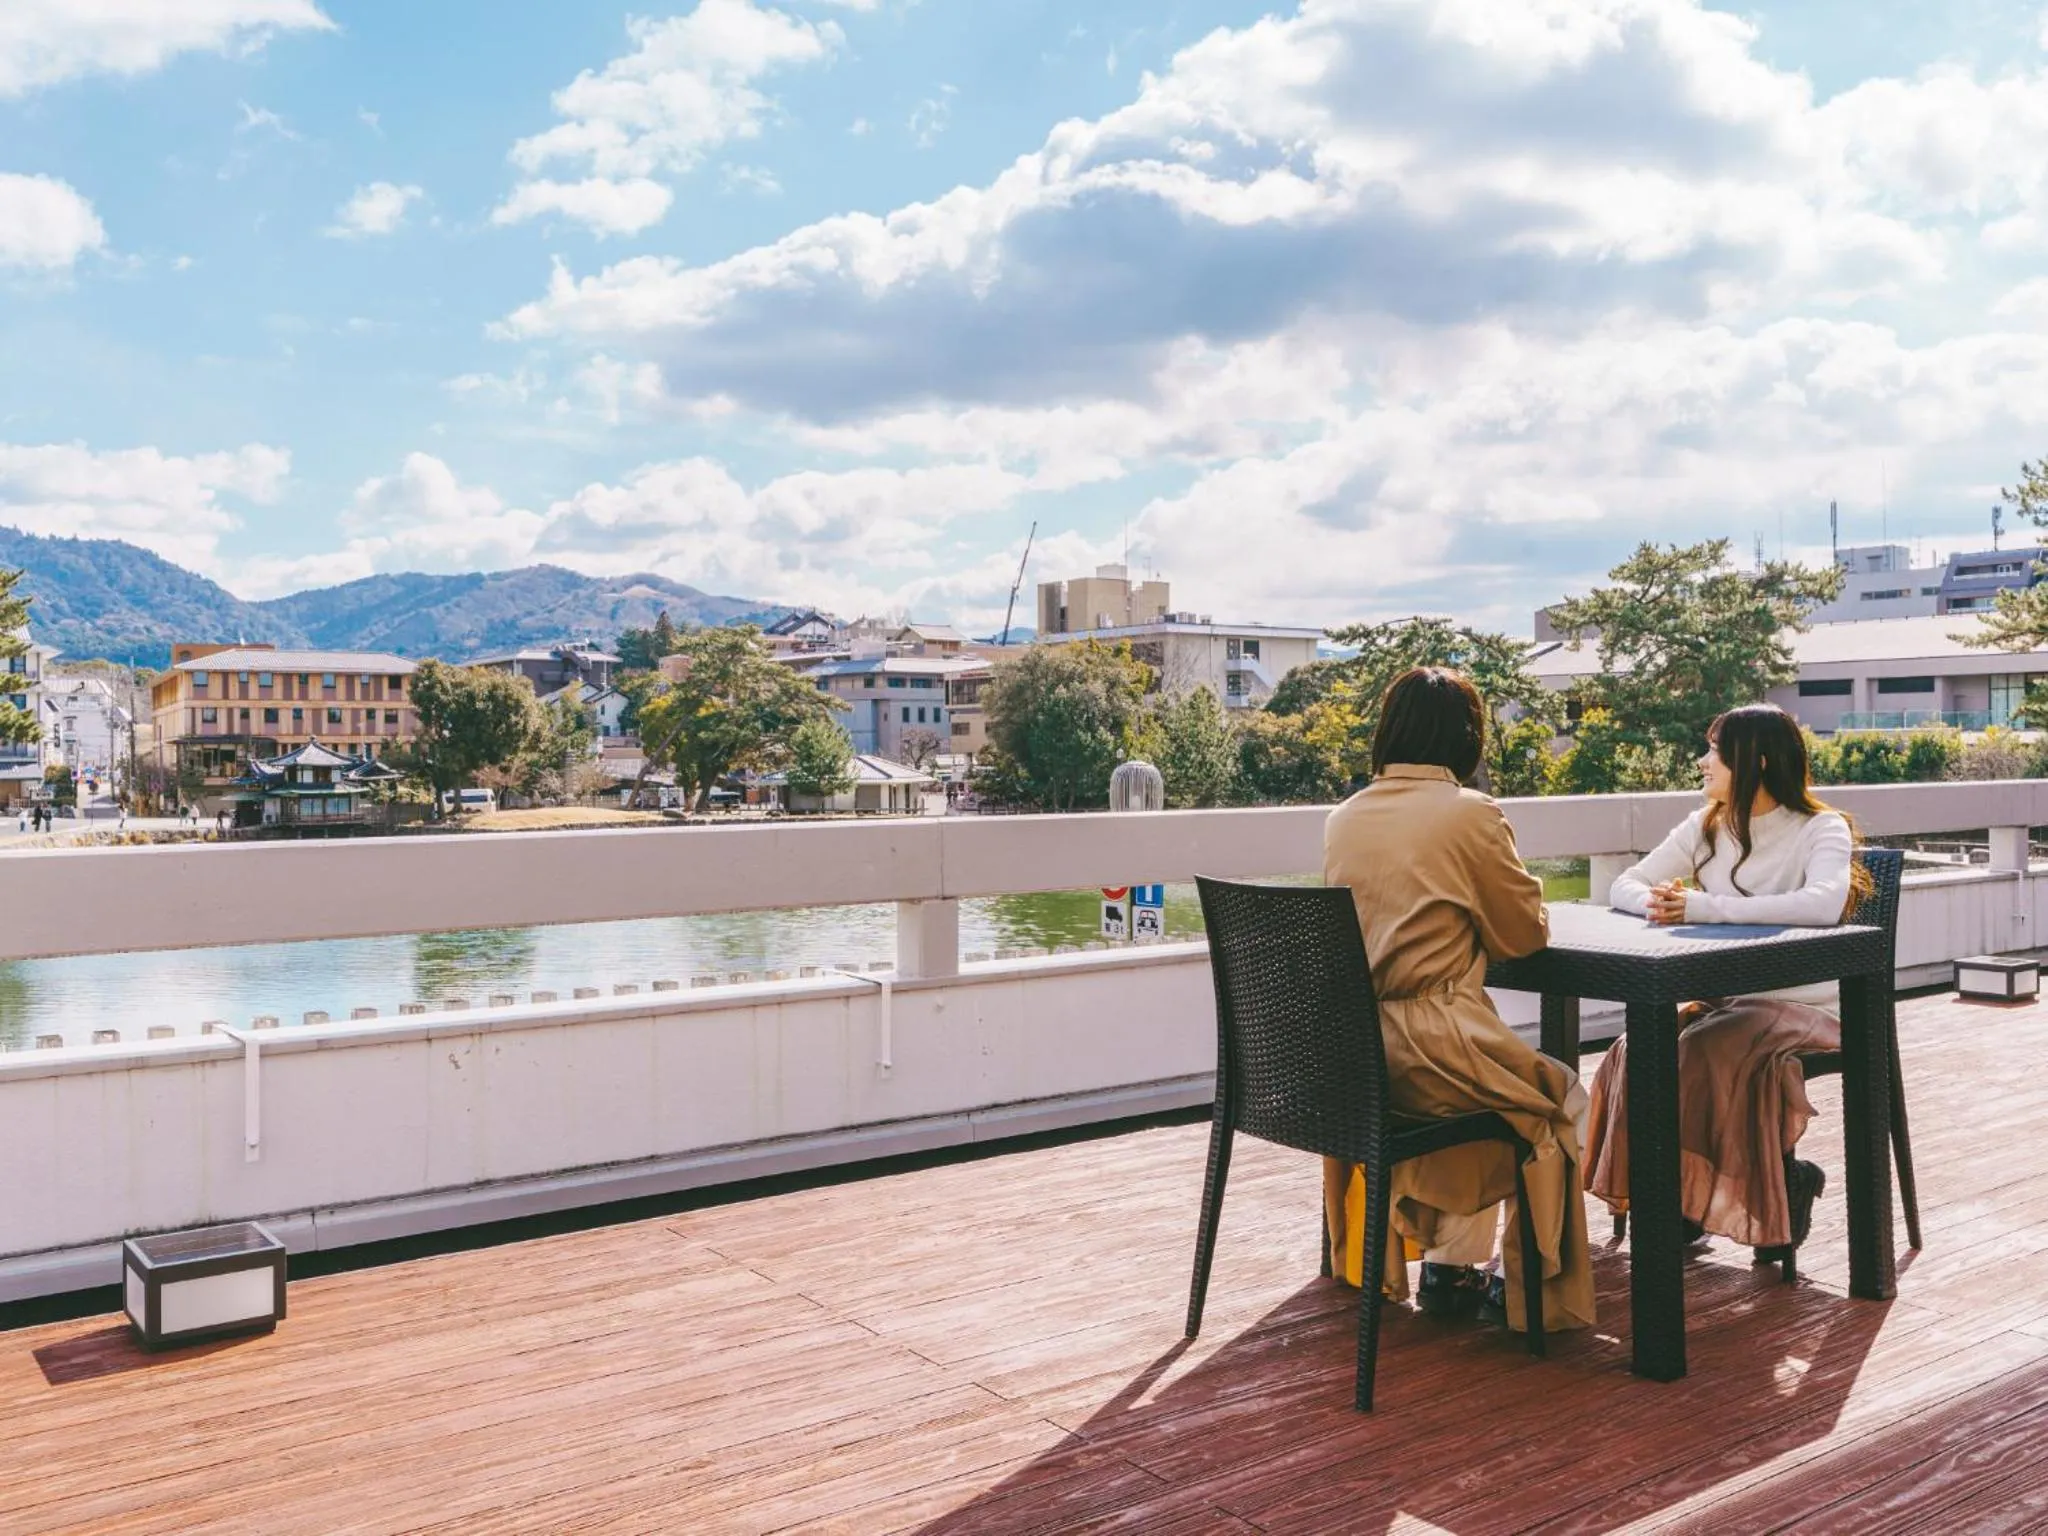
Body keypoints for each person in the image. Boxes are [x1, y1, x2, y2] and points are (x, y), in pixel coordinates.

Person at [1323, 666, 1595, 1333]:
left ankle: (1449, 1267)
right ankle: (1522, 1277)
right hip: (1435, 1044)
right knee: (1559, 1100)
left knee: (1495, 1093)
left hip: (1355, 1058)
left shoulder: (1344, 817)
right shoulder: (1471, 813)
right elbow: (1523, 935)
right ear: (1468, 739)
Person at [1583, 703, 1869, 1259]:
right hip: (1729, 999)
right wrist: (1662, 904)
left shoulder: (1821, 827)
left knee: (1702, 1053)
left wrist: (1703, 908)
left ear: (1755, 760)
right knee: (1635, 1050)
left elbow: (1825, 902)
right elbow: (1625, 883)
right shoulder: (1706, 823)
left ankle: (1689, 1204)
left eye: (1713, 751)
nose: (1701, 762)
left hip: (1807, 1007)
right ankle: (1687, 1195)